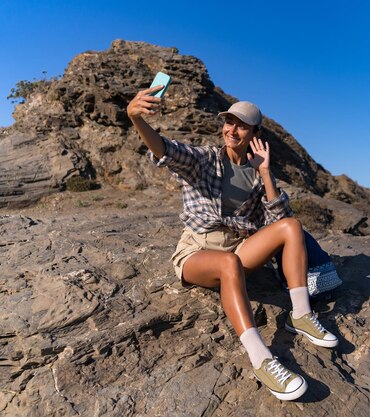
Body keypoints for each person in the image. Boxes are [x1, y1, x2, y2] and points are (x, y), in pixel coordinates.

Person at [126, 84, 338, 401]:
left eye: (241, 125)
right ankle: (262, 360)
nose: (232, 130)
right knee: (228, 263)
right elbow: (164, 150)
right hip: (198, 253)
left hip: (238, 251)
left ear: (254, 132)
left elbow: (278, 219)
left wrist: (265, 173)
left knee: (291, 226)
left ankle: (301, 315)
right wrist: (137, 119)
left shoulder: (256, 172)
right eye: (229, 122)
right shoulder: (204, 159)